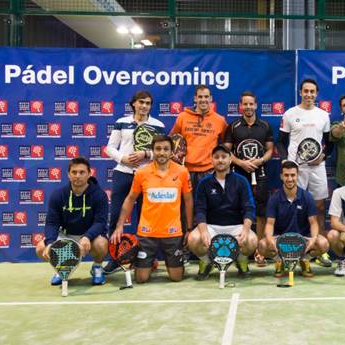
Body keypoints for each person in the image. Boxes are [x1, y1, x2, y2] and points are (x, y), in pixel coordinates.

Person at [111, 135, 193, 283]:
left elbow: (188, 200)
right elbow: (130, 199)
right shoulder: (142, 173)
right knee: (141, 279)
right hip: (147, 233)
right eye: (158, 149)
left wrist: (189, 228)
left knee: (176, 278)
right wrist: (119, 225)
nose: (162, 153)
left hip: (173, 234)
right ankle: (149, 262)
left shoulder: (182, 172)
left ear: (171, 152)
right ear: (153, 151)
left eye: (166, 149)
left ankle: (167, 262)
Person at [104, 90, 165, 274]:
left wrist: (146, 154)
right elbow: (109, 148)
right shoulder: (122, 122)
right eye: (141, 102)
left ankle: (146, 258)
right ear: (133, 104)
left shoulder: (158, 125)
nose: (144, 106)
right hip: (123, 174)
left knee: (146, 219)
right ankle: (115, 257)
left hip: (147, 175)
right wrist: (123, 159)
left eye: (148, 103)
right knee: (116, 216)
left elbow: (163, 151)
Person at [277, 78, 333, 267]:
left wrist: (323, 157)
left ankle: (320, 250)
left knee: (318, 207)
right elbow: (280, 142)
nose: (309, 94)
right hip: (296, 170)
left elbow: (329, 143)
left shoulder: (323, 115)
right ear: (300, 92)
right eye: (305, 91)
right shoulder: (290, 114)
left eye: (312, 91)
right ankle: (292, 248)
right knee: (294, 207)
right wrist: (286, 160)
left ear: (316, 94)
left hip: (317, 168)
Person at [187, 144, 258, 280]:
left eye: (224, 157)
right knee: (194, 239)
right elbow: (200, 210)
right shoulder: (204, 183)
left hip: (235, 226)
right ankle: (206, 261)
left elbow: (249, 207)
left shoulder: (241, 181)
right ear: (212, 160)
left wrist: (245, 229)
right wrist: (203, 232)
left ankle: (241, 260)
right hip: (212, 227)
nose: (220, 160)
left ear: (230, 159)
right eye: (217, 157)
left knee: (252, 240)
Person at [35, 157, 109, 286]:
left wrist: (87, 236)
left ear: (89, 173)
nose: (78, 176)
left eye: (82, 172)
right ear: (68, 175)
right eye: (74, 172)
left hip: (89, 236)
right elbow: (52, 223)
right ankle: (61, 268)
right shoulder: (58, 195)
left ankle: (97, 267)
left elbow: (100, 222)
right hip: (66, 235)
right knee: (41, 248)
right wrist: (50, 242)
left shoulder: (99, 195)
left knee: (101, 244)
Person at [224, 91, 274, 266]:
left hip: (260, 175)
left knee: (261, 213)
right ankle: (241, 251)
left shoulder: (265, 126)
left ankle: (259, 251)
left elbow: (269, 150)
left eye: (251, 104)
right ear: (241, 106)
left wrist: (260, 160)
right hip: (238, 175)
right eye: (245, 104)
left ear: (256, 105)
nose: (248, 107)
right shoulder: (232, 127)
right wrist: (240, 162)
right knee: (239, 211)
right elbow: (226, 151)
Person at [259, 161, 329, 277]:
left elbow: (313, 223)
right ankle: (279, 260)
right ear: (281, 176)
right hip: (281, 238)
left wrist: (313, 238)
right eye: (286, 175)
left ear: (297, 176)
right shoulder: (274, 198)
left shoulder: (307, 197)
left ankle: (304, 260)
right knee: (262, 245)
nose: (290, 179)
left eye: (293, 175)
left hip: (303, 238)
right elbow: (270, 224)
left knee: (323, 243)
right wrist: (270, 239)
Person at [169, 84, 227, 192]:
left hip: (209, 170)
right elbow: (171, 139)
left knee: (207, 206)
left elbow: (226, 146)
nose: (203, 100)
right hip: (185, 170)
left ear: (211, 99)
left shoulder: (220, 120)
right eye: (200, 97)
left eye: (206, 97)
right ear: (195, 98)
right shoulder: (183, 117)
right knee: (187, 206)